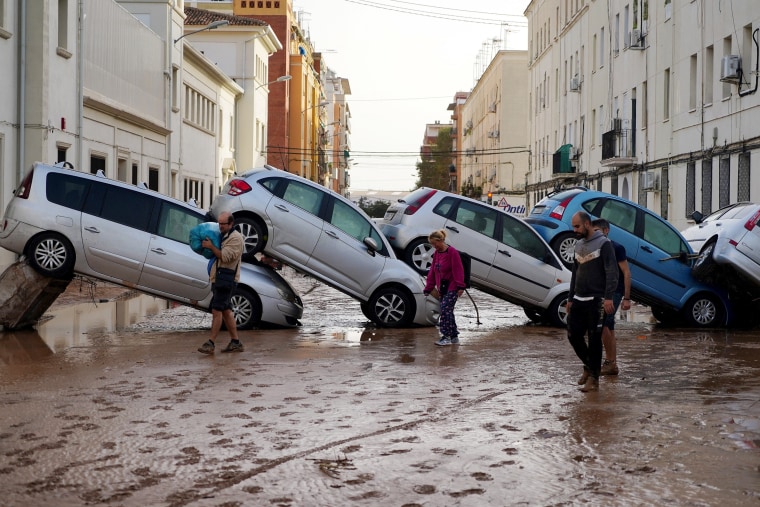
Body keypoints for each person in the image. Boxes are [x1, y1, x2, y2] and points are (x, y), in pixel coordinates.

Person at [567, 211, 619, 392]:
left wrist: (608, 298)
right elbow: (575, 273)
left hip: (597, 300)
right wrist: (570, 298)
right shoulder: (578, 244)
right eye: (573, 227)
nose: (575, 230)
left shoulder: (604, 244)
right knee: (573, 335)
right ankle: (590, 367)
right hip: (579, 299)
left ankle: (594, 380)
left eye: (577, 226)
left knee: (595, 339)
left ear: (587, 224)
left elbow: (613, 272)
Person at [198, 212, 245, 354]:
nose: (220, 226)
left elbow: (225, 257)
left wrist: (211, 246)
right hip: (220, 278)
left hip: (226, 280)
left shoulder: (236, 239)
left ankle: (210, 343)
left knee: (216, 310)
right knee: (226, 311)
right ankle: (235, 342)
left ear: (231, 224)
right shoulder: (224, 235)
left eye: (223, 224)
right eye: (219, 223)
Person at [592, 218, 632, 376]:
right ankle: (612, 364)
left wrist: (626, 298)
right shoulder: (595, 247)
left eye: (597, 231)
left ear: (606, 230)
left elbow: (627, 273)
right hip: (601, 292)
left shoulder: (616, 247)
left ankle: (609, 362)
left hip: (614, 291)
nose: (594, 235)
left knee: (603, 326)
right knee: (609, 327)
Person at [423, 229, 466, 346]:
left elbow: (458, 270)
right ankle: (454, 336)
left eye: (434, 243)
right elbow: (432, 271)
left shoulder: (452, 252)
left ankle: (445, 336)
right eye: (431, 244)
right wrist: (428, 287)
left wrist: (460, 286)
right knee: (448, 311)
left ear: (441, 240)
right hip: (442, 288)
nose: (433, 246)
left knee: (445, 310)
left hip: (452, 287)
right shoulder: (437, 253)